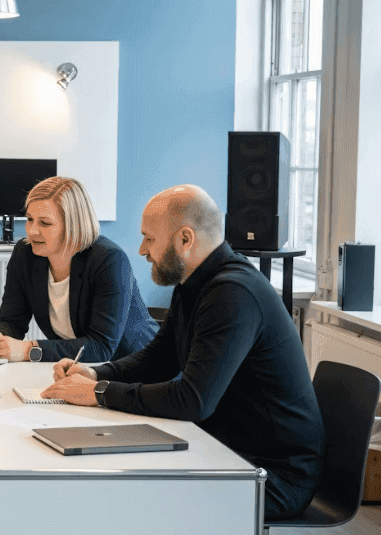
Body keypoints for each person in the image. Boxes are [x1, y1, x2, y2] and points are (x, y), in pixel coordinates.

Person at [42, 184, 324, 521]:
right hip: (223, 449)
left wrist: (99, 394)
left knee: (125, 501)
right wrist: (96, 373)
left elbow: (193, 401)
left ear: (185, 239)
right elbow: (159, 359)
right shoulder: (195, 283)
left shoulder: (232, 294)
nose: (142, 250)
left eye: (149, 238)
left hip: (270, 476)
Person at [0, 177, 157, 363]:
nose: (32, 231)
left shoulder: (109, 260)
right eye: (29, 219)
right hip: (78, 368)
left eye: (45, 223)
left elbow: (101, 347)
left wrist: (28, 350)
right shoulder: (25, 254)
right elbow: (12, 321)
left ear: (72, 226)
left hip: (137, 368)